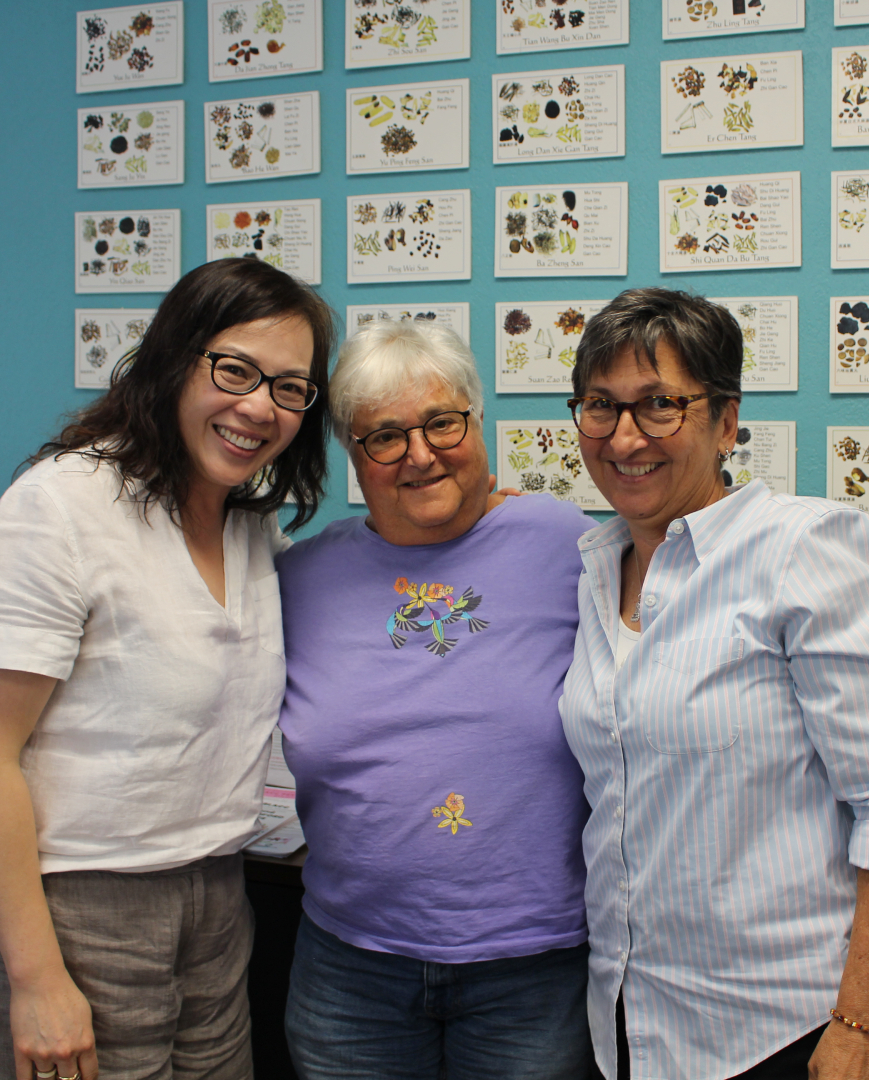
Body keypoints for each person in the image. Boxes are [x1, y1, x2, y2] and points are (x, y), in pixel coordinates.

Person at [0, 258, 334, 1080]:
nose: (259, 406)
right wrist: (37, 979)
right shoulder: (61, 509)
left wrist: (477, 525)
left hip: (213, 895)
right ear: (173, 360)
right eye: (235, 369)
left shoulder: (250, 531)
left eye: (289, 387)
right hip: (57, 904)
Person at [557, 288, 869, 1080]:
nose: (625, 436)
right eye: (601, 406)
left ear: (727, 422)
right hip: (627, 1015)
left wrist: (864, 1021)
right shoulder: (597, 565)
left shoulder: (806, 548)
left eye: (660, 405)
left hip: (777, 1029)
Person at [275, 320, 595, 1080]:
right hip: (349, 964)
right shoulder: (299, 580)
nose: (420, 454)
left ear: (476, 421)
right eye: (383, 437)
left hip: (534, 965)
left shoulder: (570, 545)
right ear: (353, 457)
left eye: (441, 423)